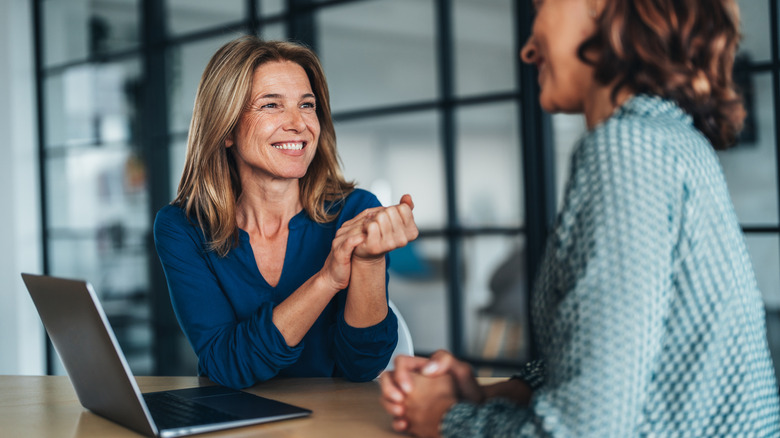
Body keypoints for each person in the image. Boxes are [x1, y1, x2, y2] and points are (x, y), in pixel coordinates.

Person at [380, 0, 780, 436]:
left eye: (539, 9)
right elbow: (634, 366)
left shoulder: (626, 149)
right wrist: (499, 394)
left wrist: (445, 419)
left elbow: (585, 431)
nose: (528, 49)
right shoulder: (671, 139)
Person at [154, 36, 419, 390]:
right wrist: (326, 280)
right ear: (226, 127)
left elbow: (363, 365)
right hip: (232, 420)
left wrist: (369, 263)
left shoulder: (356, 212)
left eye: (306, 105)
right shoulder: (182, 228)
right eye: (271, 105)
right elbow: (227, 366)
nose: (298, 123)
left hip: (333, 421)